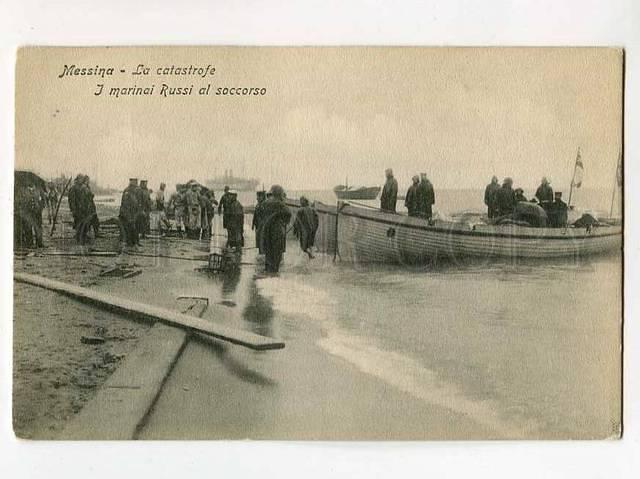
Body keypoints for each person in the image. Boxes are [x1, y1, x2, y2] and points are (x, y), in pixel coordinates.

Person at [261, 185, 292, 273]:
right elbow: (288, 213)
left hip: (266, 231)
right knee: (276, 253)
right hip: (277, 231)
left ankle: (267, 272)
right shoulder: (280, 203)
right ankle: (274, 274)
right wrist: (284, 221)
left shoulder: (265, 203)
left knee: (268, 253)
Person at [119, 178, 140, 247]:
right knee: (127, 229)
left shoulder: (134, 191)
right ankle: (128, 244)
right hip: (126, 214)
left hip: (132, 214)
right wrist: (128, 216)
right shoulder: (127, 191)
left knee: (132, 228)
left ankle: (133, 244)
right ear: (131, 181)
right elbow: (125, 204)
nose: (136, 182)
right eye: (135, 181)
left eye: (137, 181)